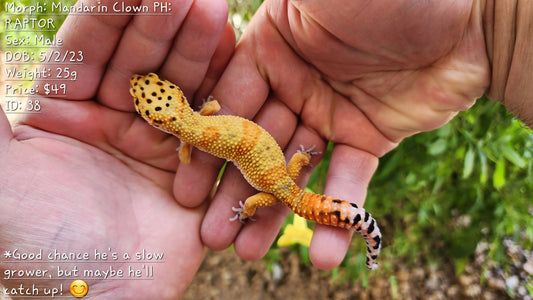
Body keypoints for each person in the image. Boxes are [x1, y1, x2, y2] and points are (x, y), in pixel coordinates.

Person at [0, 0, 530, 298]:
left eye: (147, 96)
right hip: (280, 167)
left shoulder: (187, 139)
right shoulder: (195, 122)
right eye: (147, 96)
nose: (145, 91)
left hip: (278, 179)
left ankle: (364, 233)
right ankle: (364, 232)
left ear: (163, 110)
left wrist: (249, 203)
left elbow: (193, 148)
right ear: (172, 101)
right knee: (269, 192)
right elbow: (203, 125)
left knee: (252, 203)